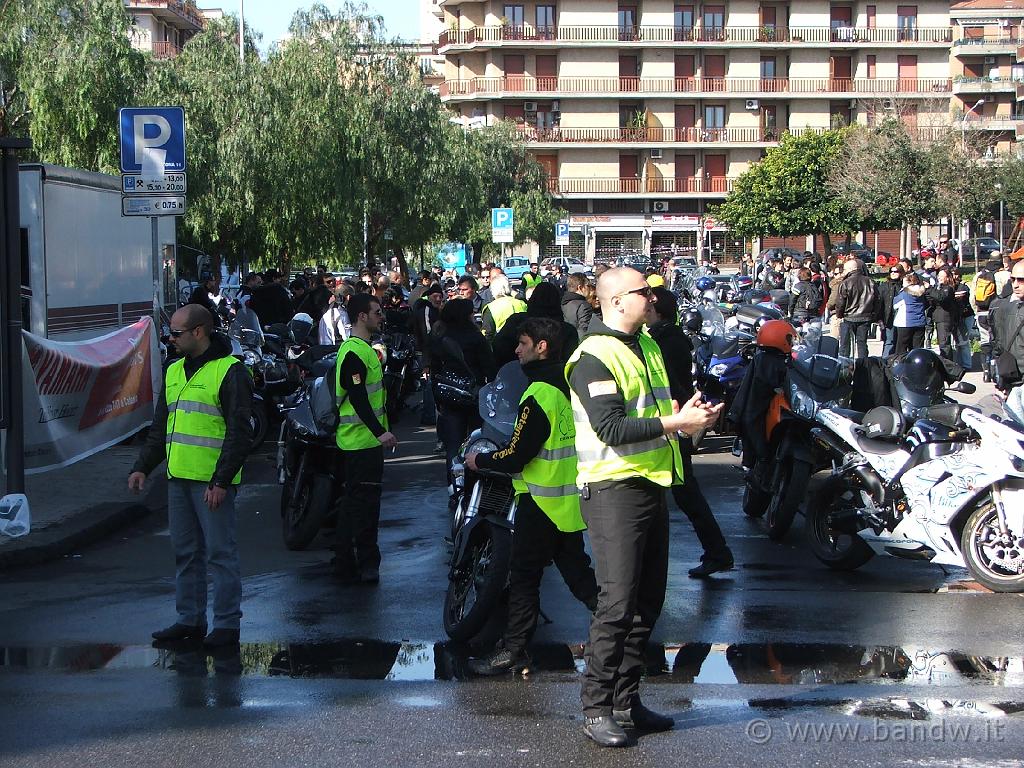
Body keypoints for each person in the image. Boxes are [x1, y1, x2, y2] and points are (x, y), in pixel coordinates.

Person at [565, 268, 721, 747]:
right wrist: (677, 422)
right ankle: (596, 709)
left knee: (647, 603)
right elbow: (612, 428)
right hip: (613, 490)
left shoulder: (647, 344)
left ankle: (626, 701)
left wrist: (691, 421)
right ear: (616, 301)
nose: (651, 297)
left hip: (651, 483)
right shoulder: (593, 355)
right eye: (643, 292)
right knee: (616, 604)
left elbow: (654, 411)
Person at [465, 318, 599, 675]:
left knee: (523, 576)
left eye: (523, 343)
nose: (516, 349)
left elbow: (518, 453)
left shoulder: (538, 393)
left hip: (539, 500)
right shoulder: (570, 383)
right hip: (567, 498)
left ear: (542, 347)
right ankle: (620, 627)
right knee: (578, 573)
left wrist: (481, 459)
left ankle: (513, 650)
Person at [129, 305, 254, 649]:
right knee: (185, 553)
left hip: (210, 483)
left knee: (219, 553)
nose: (171, 339)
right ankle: (190, 620)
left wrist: (222, 481)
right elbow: (160, 428)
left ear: (199, 332)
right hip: (178, 478)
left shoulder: (230, 372)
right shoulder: (173, 371)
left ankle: (226, 625)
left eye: (176, 333)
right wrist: (142, 466)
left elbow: (240, 433)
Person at [646, 287, 733, 578]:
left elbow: (667, 384)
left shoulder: (665, 340)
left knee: (685, 492)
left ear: (656, 309)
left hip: (674, 423)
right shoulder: (664, 337)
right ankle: (716, 552)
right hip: (674, 421)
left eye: (648, 302)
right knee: (683, 493)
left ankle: (717, 552)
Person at [331, 293, 397, 584]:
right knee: (364, 505)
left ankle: (346, 560)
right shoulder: (355, 352)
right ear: (362, 316)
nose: (381, 316)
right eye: (377, 312)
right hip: (360, 443)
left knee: (353, 504)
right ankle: (362, 562)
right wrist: (379, 432)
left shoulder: (362, 349)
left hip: (360, 442)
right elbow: (358, 398)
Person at [427, 298, 496, 506]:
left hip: (449, 398)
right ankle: (474, 488)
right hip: (474, 398)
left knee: (453, 446)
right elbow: (490, 369)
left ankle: (454, 490)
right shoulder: (475, 338)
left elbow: (434, 371)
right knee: (475, 443)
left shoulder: (440, 337)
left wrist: (438, 398)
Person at [492, 281, 579, 367]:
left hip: (518, 375)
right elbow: (570, 360)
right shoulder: (567, 330)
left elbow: (499, 345)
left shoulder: (517, 321)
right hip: (555, 377)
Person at [834, 258, 879, 360]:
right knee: (862, 343)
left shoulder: (845, 283)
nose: (844, 272)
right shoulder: (870, 281)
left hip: (849, 317)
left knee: (845, 345)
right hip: (865, 317)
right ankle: (863, 367)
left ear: (850, 269)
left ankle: (844, 367)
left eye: (845, 270)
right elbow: (877, 300)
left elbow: (840, 303)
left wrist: (839, 315)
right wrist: (873, 315)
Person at [990, 259, 1024, 393]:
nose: (1015, 285)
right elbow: (999, 344)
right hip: (1013, 382)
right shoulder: (1005, 307)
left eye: (1021, 280)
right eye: (1013, 279)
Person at [927, 268, 961, 362]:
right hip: (937, 318)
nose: (940, 278)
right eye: (939, 276)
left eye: (942, 276)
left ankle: (948, 365)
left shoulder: (948, 288)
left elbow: (941, 297)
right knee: (941, 343)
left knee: (944, 344)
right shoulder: (939, 288)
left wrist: (929, 288)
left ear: (948, 277)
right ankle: (945, 363)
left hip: (945, 319)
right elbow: (932, 297)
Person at [481, 274, 527, 339]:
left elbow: (487, 335)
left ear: (492, 289)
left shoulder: (490, 308)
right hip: (522, 343)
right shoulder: (521, 303)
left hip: (501, 345)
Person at [893, 273, 928, 355]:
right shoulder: (923, 293)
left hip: (905, 323)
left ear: (909, 283)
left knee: (901, 349)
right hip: (920, 322)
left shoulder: (904, 294)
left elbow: (895, 305)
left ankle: (901, 365)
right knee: (917, 349)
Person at [877, 265, 905, 357]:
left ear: (900, 273)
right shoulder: (884, 286)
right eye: (891, 271)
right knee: (889, 341)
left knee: (900, 342)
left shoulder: (904, 286)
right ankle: (885, 362)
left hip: (902, 318)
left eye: (895, 271)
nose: (893, 273)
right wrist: (879, 319)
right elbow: (879, 303)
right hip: (888, 318)